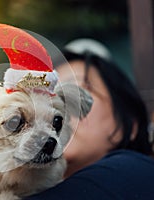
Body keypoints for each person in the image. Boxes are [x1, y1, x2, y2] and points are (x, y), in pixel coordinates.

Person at [25, 38, 154, 199]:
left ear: (129, 122)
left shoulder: (132, 171)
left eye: (77, 91)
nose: (54, 109)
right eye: (48, 98)